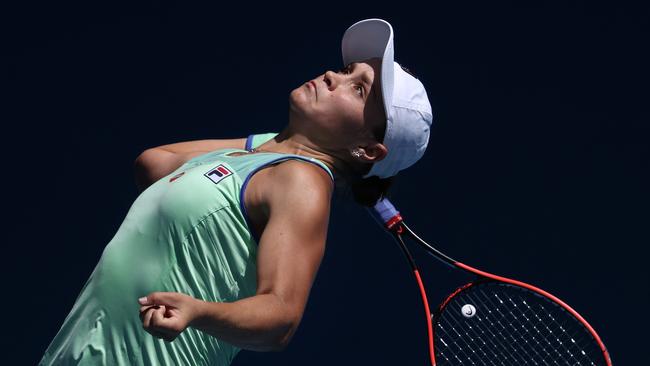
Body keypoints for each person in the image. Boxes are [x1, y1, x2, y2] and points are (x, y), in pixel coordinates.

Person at [39, 18, 433, 365]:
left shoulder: (302, 182)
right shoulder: (260, 162)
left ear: (367, 150)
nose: (333, 75)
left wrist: (199, 312)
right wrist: (271, 145)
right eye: (348, 70)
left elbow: (281, 318)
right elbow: (155, 162)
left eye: (358, 89)